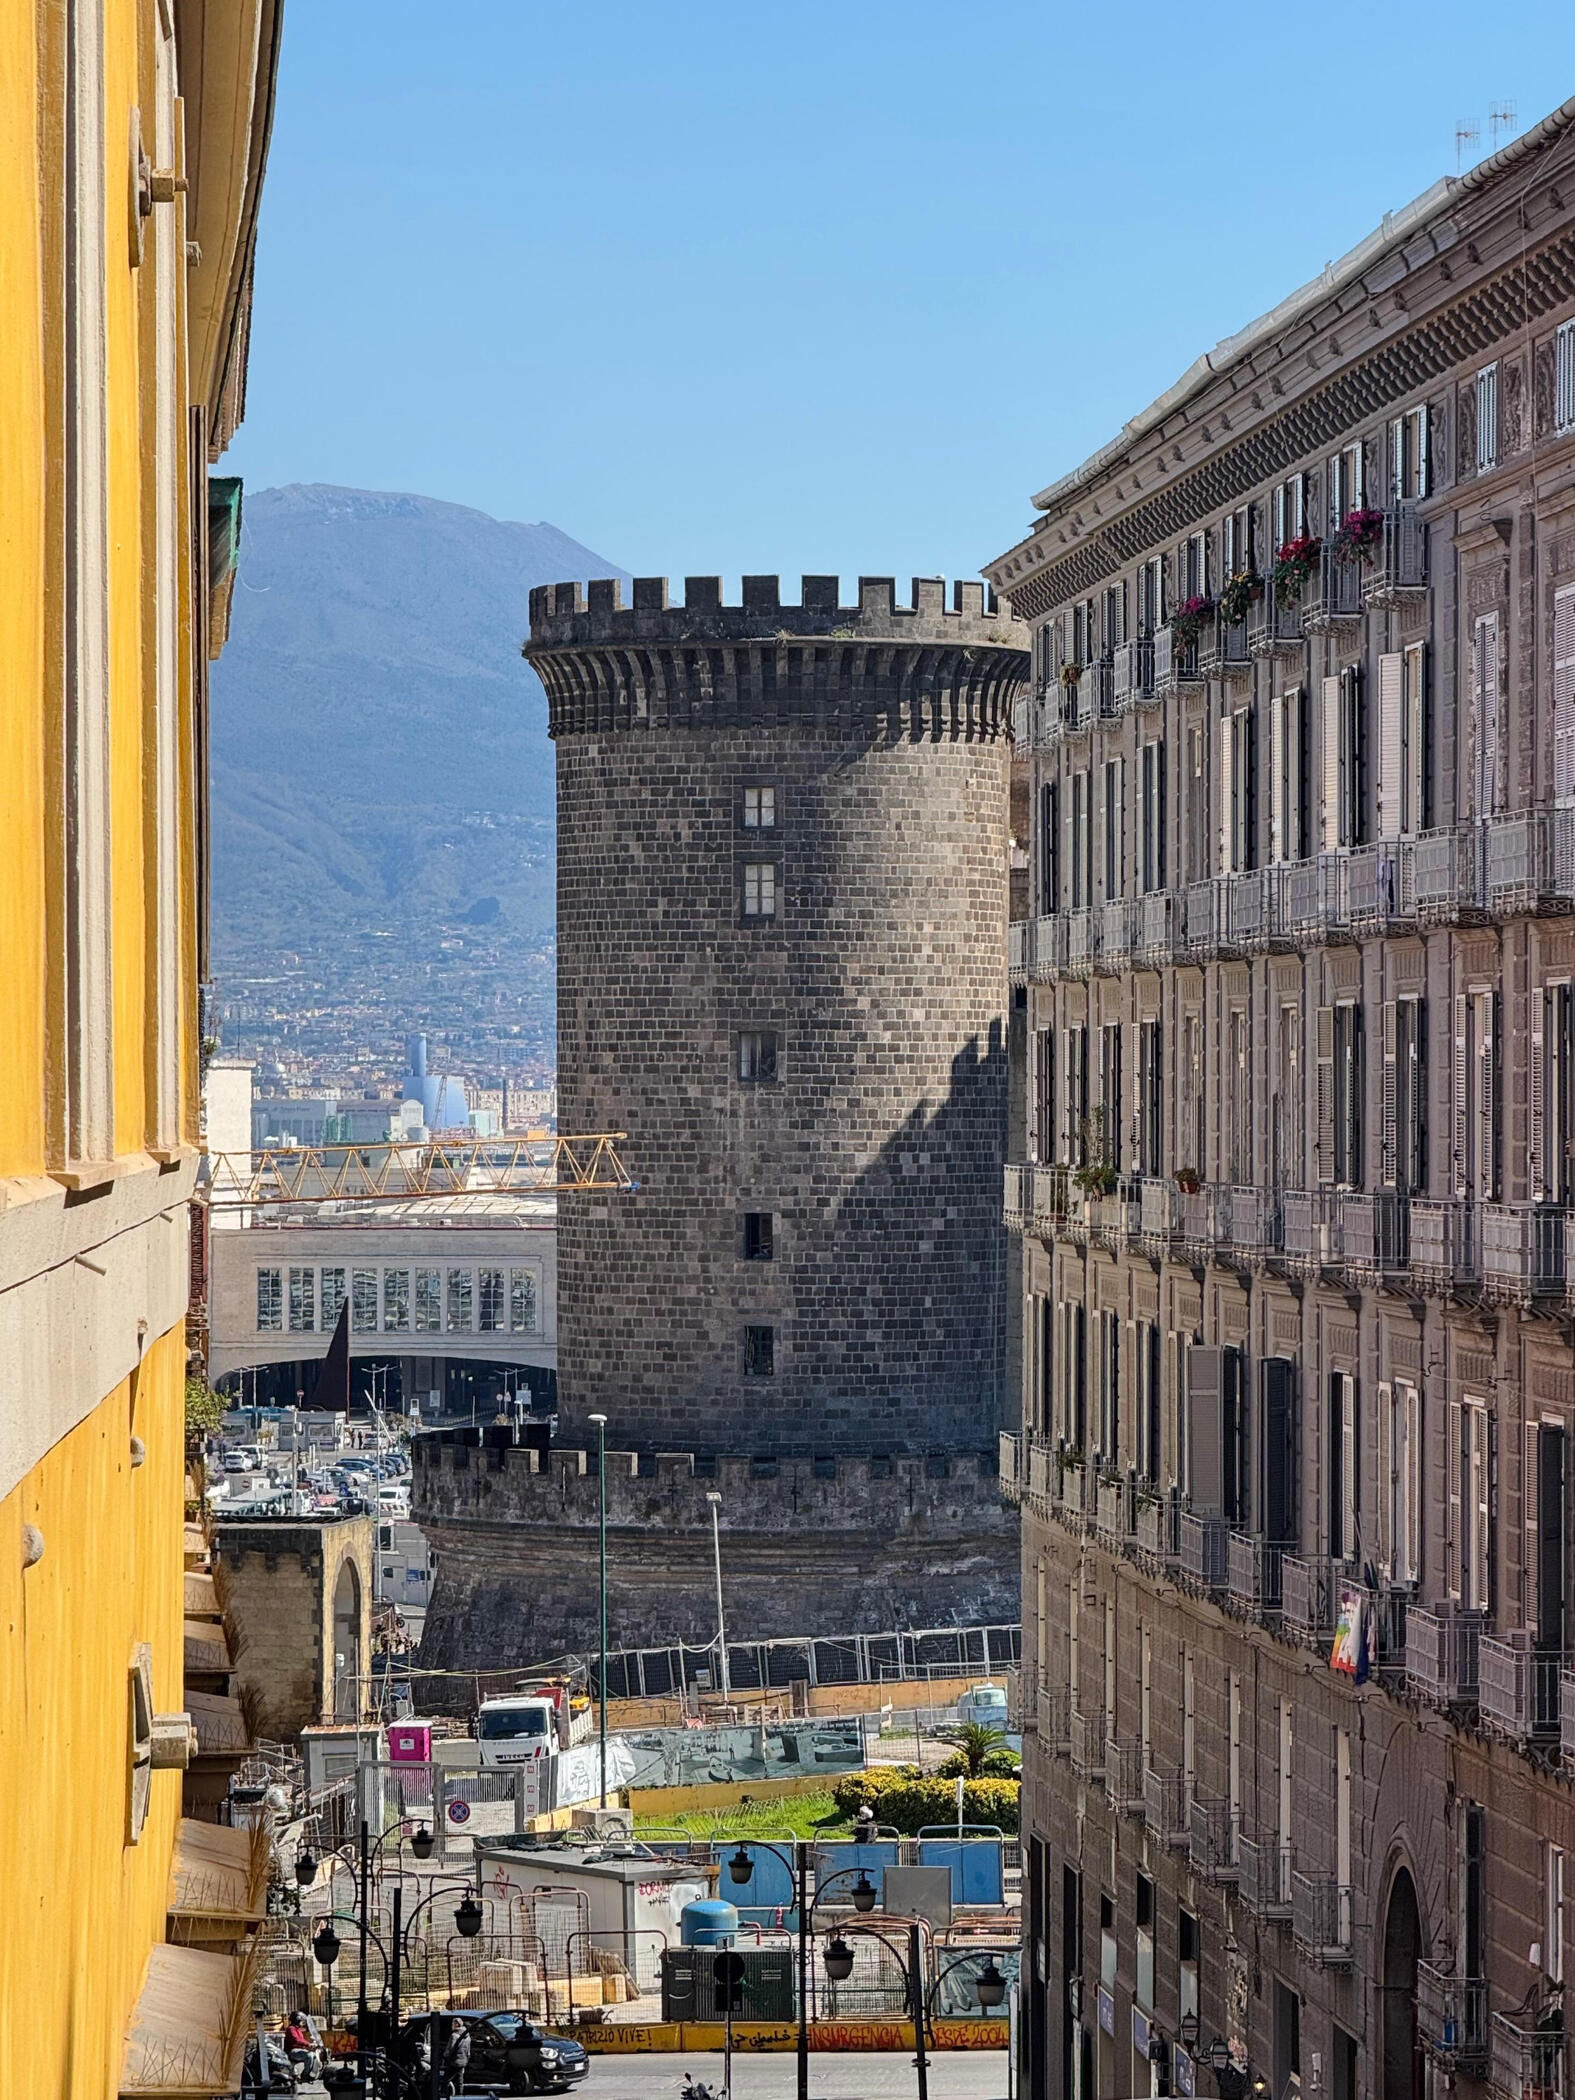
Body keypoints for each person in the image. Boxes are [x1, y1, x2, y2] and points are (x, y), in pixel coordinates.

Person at [441, 2020, 471, 2098]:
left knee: (446, 2079)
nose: (452, 2025)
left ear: (456, 2024)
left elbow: (451, 2049)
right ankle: (460, 2095)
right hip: (463, 2061)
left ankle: (444, 2094)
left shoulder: (454, 2035)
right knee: (460, 2080)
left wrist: (445, 2056)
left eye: (453, 2024)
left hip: (454, 2061)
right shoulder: (467, 2036)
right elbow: (468, 2051)